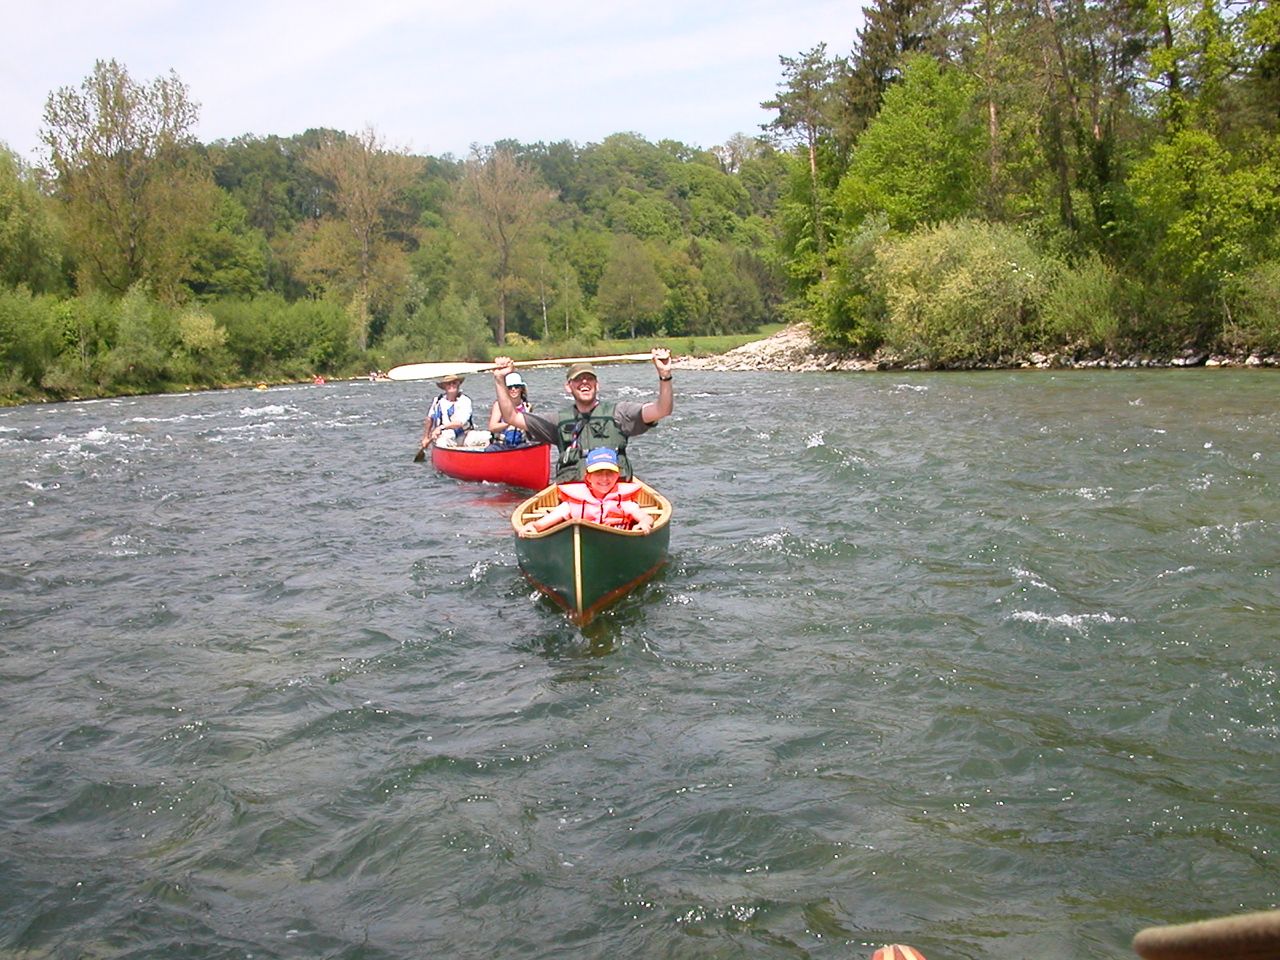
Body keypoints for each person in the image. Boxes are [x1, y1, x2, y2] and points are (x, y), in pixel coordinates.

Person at [491, 346, 673, 482]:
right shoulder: (558, 420)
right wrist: (500, 380)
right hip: (574, 496)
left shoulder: (620, 413)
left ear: (597, 385)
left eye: (589, 379)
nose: (584, 382)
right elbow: (511, 417)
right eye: (578, 379)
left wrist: (664, 375)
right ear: (568, 387)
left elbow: (662, 409)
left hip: (614, 493)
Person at [519, 447, 654, 536]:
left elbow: (645, 517)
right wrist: (532, 526)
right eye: (598, 473)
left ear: (617, 475)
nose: (604, 478)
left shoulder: (624, 502)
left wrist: (644, 523)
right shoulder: (571, 505)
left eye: (610, 473)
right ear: (588, 477)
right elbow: (542, 524)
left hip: (618, 542)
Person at [420, 373, 484, 450]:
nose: (451, 385)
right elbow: (429, 418)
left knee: (486, 437)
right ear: (444, 387)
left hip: (463, 435)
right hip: (444, 436)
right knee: (445, 439)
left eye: (454, 383)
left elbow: (460, 423)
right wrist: (426, 437)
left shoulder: (465, 401)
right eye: (448, 384)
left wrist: (441, 428)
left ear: (458, 385)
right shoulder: (437, 401)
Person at [485, 372, 533, 449]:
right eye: (510, 387)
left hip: (520, 444)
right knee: (491, 449)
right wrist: (511, 422)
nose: (513, 389)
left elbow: (530, 432)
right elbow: (492, 427)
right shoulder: (498, 405)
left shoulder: (527, 406)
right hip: (501, 445)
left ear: (521, 388)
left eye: (516, 387)